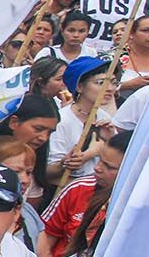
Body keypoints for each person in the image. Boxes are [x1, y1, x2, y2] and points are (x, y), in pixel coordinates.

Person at [39, 131, 130, 257]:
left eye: (109, 167)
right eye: (100, 160)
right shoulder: (78, 188)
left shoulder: (138, 208)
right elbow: (44, 235)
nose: (97, 168)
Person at [47, 56, 115, 186]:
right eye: (101, 83)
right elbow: (49, 173)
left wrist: (110, 141)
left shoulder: (104, 118)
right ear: (79, 87)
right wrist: (90, 153)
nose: (110, 88)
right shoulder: (61, 121)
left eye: (113, 82)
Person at [116, 14, 149, 103]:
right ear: (131, 33)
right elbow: (91, 90)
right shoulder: (110, 58)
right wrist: (126, 85)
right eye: (146, 30)